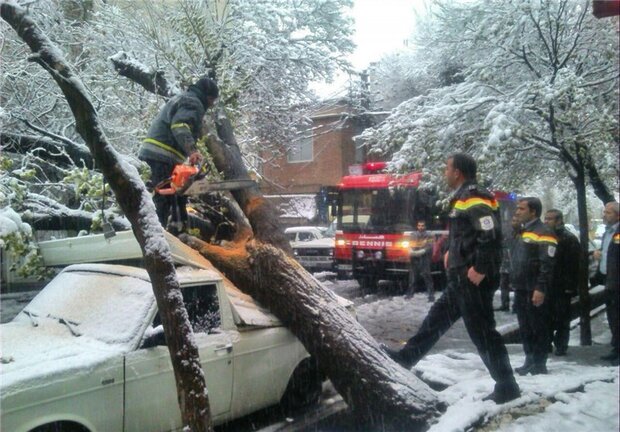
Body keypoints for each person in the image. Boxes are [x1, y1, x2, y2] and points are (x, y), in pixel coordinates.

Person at [384, 153, 520, 404]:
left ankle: (507, 385)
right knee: (434, 322)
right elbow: (466, 235)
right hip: (460, 280)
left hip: (471, 282)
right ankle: (405, 359)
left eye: (447, 168)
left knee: (483, 334)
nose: (445, 172)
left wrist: (479, 268)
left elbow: (489, 234)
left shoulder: (474, 195)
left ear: (457, 172)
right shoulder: (463, 197)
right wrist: (450, 253)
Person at [139, 76, 219, 233]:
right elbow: (180, 126)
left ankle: (175, 232)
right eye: (212, 100)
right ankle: (157, 238)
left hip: (161, 153)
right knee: (164, 197)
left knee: (174, 196)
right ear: (208, 96)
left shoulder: (184, 98)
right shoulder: (194, 103)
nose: (212, 104)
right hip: (161, 153)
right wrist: (192, 151)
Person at [511, 197, 556, 375]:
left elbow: (547, 263)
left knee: (539, 326)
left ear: (533, 212)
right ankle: (529, 359)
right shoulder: (522, 231)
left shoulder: (544, 232)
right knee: (525, 326)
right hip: (521, 287)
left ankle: (539, 363)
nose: (517, 212)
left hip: (534, 288)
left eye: (521, 209)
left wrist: (540, 287)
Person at [544, 209, 580, 356]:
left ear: (559, 221)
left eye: (550, 219)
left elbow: (574, 264)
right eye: (545, 219)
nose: (546, 222)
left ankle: (561, 345)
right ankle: (546, 343)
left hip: (562, 286)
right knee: (546, 316)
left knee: (562, 318)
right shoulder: (545, 236)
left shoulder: (568, 239)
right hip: (547, 284)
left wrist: (570, 286)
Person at [594, 202, 619, 364]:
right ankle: (616, 348)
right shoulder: (607, 232)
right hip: (609, 280)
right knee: (613, 317)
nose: (604, 215)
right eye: (604, 212)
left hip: (617, 282)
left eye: (608, 213)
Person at [496, 215, 522, 312]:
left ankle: (517, 306)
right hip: (506, 263)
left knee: (517, 287)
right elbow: (503, 245)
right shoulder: (509, 233)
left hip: (517, 264)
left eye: (516, 220)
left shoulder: (523, 234)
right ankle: (505, 304)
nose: (514, 222)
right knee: (504, 284)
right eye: (513, 220)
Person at [407, 220, 435, 301]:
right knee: (412, 277)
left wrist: (422, 251)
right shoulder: (413, 235)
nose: (420, 227)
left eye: (422, 226)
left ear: (425, 226)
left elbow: (429, 246)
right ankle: (410, 294)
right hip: (414, 257)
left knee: (427, 276)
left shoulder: (429, 235)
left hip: (424, 257)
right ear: (417, 226)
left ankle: (431, 295)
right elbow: (410, 244)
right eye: (419, 225)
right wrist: (411, 250)